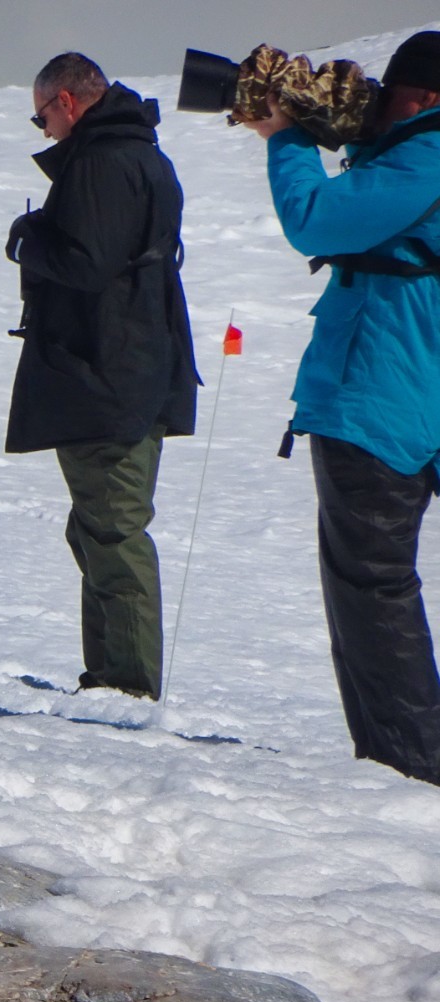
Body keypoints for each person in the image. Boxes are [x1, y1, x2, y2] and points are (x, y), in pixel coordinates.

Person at [253, 32, 440, 783]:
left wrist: (288, 136)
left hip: (383, 402)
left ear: (422, 98)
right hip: (407, 398)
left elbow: (316, 220)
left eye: (388, 96)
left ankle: (410, 769)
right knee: (377, 587)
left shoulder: (425, 157)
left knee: (372, 589)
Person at [5, 53, 197, 699]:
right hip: (135, 364)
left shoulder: (101, 159)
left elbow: (87, 263)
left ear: (65, 101)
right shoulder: (141, 153)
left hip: (108, 370)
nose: (45, 131)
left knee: (112, 526)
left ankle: (129, 684)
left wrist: (29, 239)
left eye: (42, 118)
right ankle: (113, 675)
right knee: (98, 525)